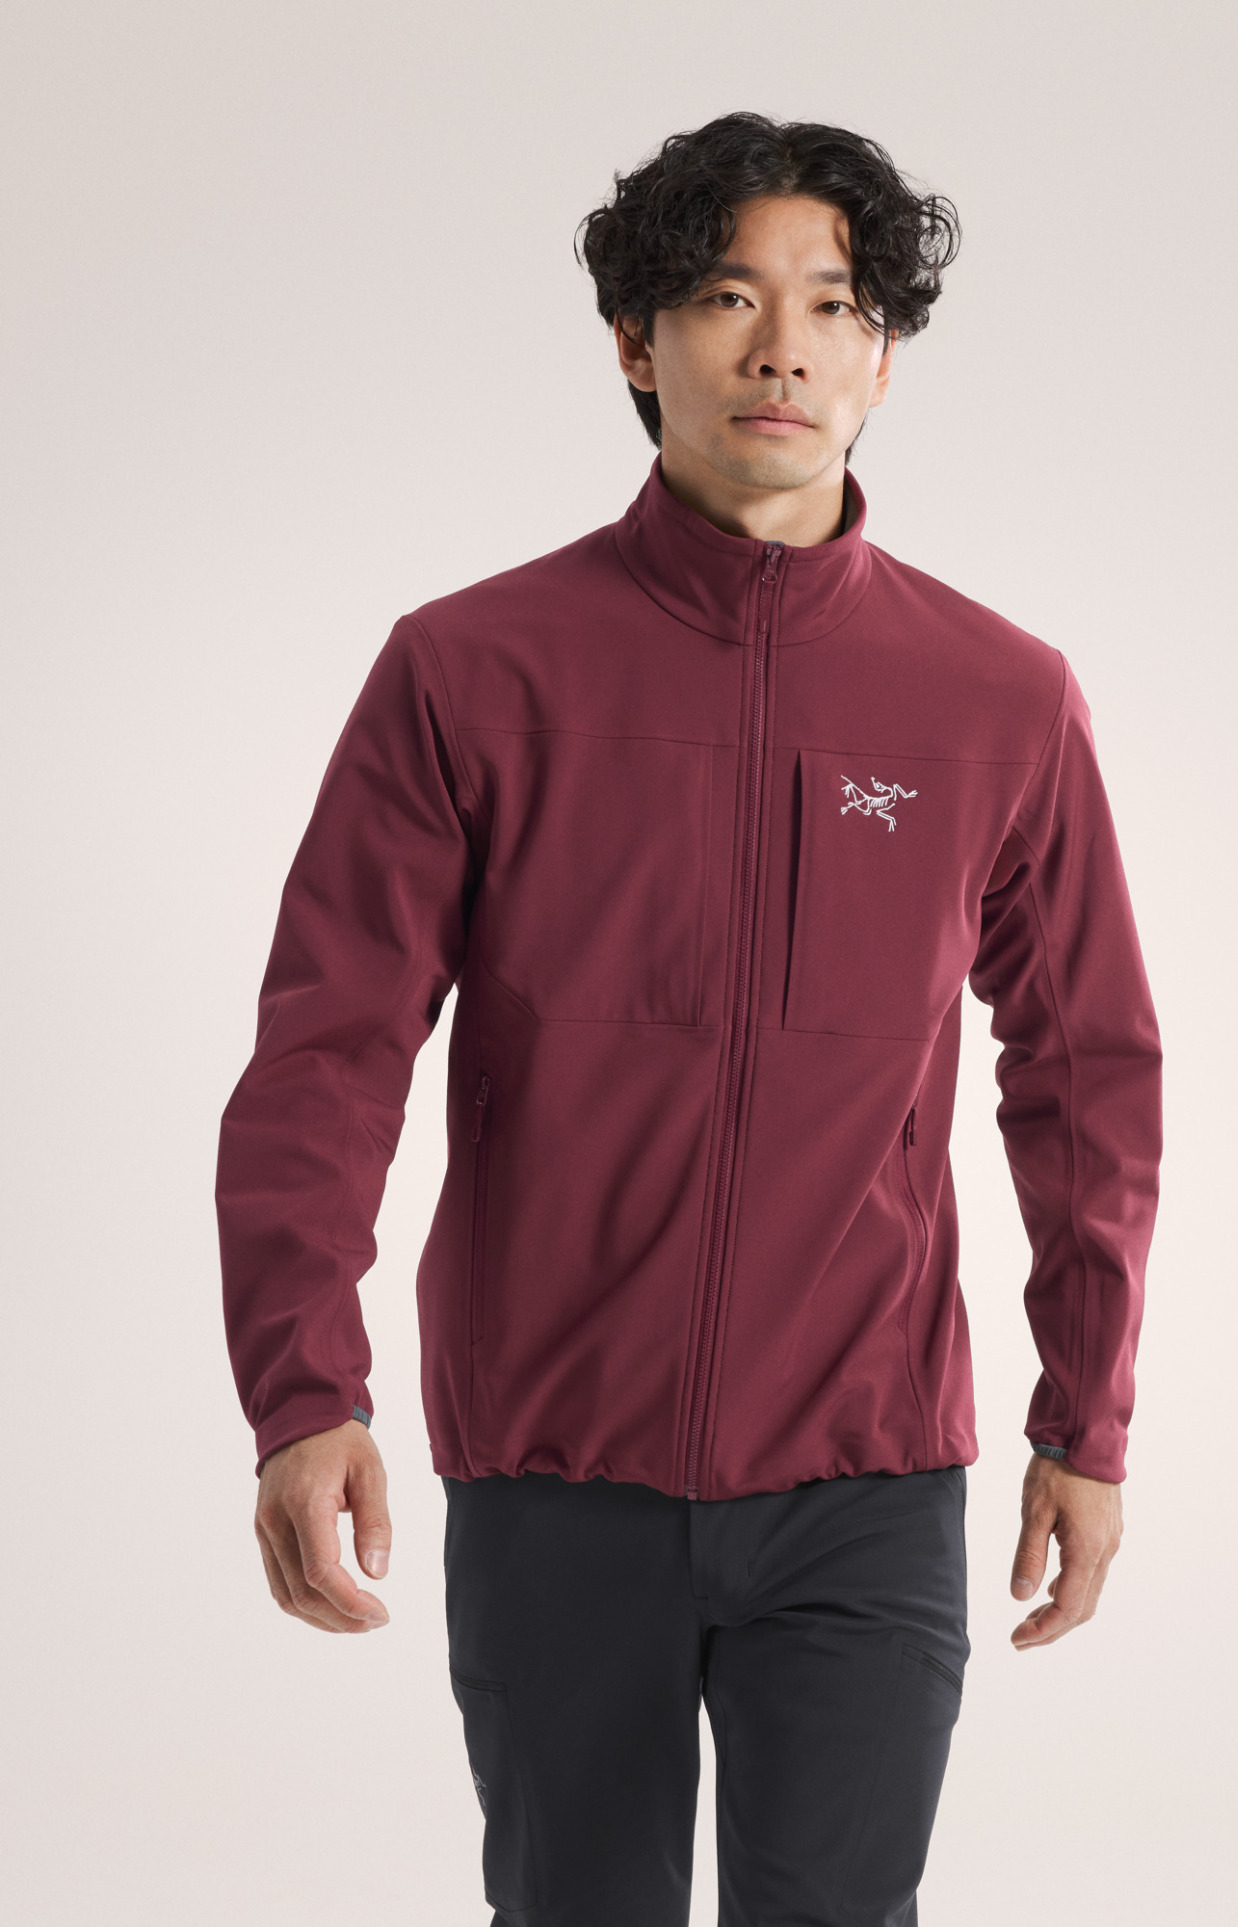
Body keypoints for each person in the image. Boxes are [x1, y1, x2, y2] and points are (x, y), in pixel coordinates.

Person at [216, 111, 1163, 1927]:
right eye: (727, 297)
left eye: (832, 303)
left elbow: (1088, 1074)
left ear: (884, 357)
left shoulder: (997, 698)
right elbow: (325, 1054)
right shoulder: (470, 670)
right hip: (555, 1464)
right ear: (635, 346)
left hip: (868, 1468)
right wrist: (299, 1391)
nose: (780, 346)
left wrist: (1086, 1417)